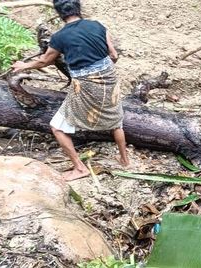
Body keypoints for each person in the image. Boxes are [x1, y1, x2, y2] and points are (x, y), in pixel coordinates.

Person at [12, 0, 129, 181]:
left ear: (59, 14)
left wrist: (23, 65)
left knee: (57, 127)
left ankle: (80, 168)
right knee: (115, 120)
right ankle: (125, 160)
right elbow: (113, 55)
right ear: (78, 9)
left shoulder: (60, 37)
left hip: (85, 84)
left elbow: (45, 61)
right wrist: (102, 69)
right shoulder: (97, 25)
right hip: (109, 76)